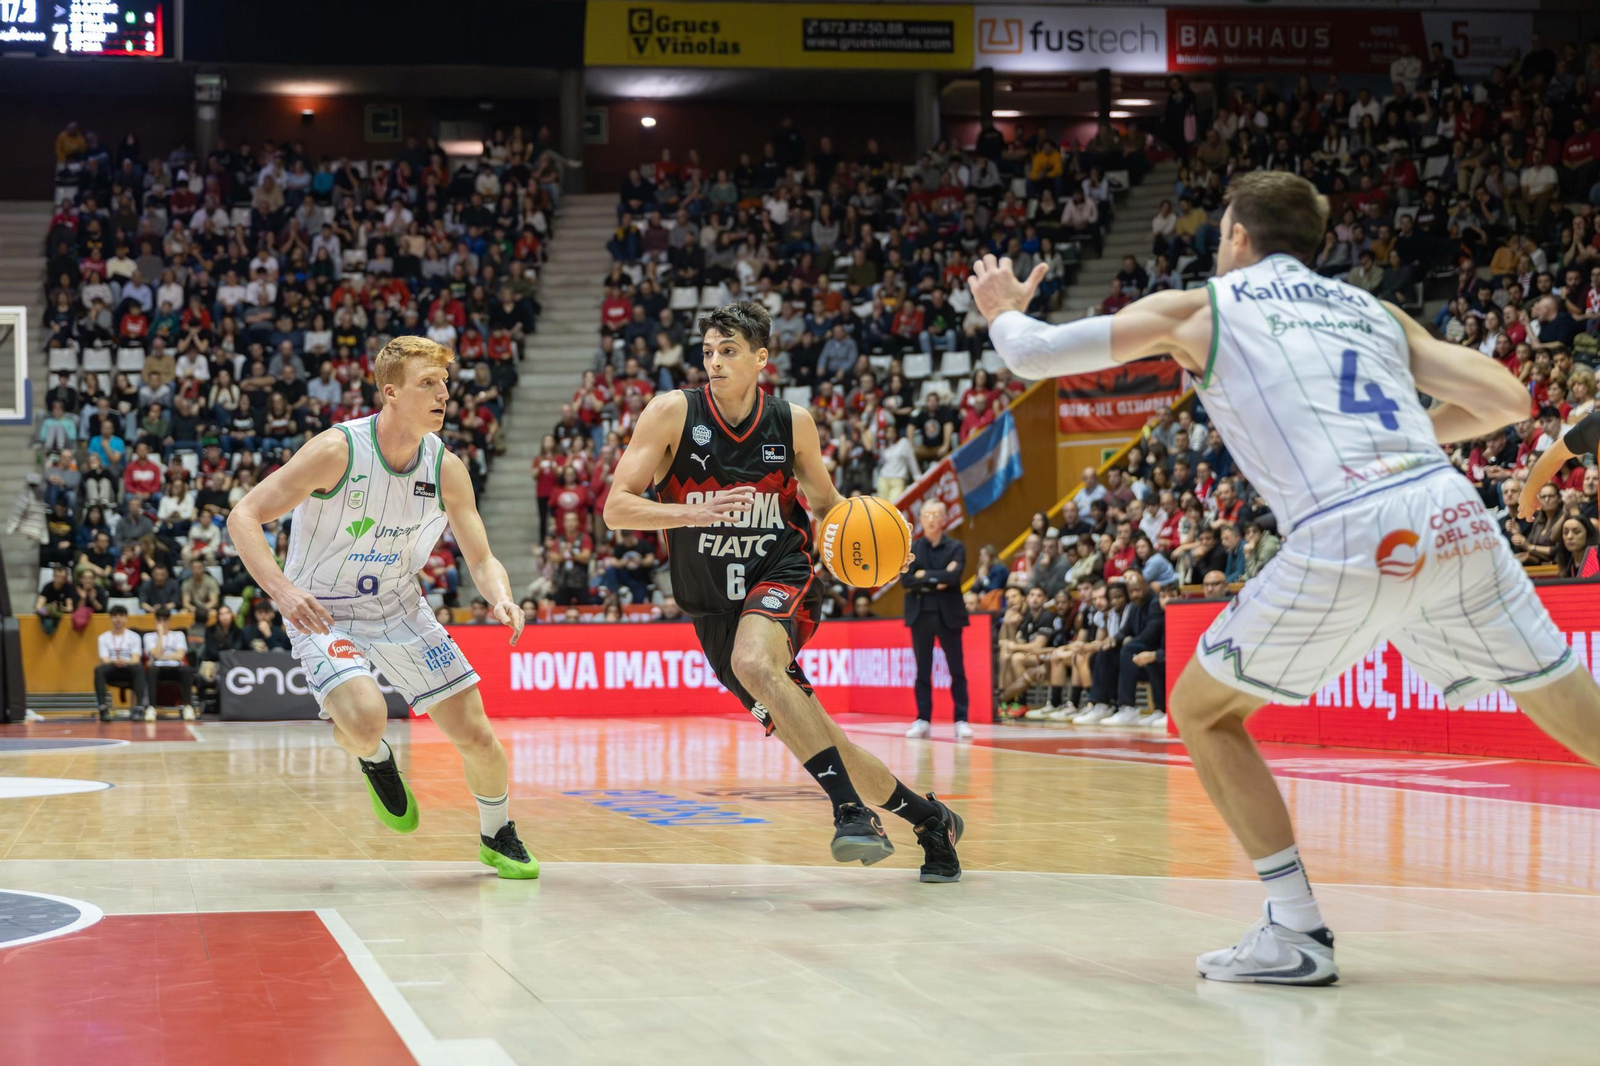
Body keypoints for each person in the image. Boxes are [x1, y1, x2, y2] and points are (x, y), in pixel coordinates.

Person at [973, 169, 1596, 986]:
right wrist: (1409, 438)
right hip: (1451, 509)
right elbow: (1508, 399)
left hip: (1351, 525)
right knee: (1568, 706)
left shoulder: (1205, 308)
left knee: (1202, 711)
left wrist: (1001, 307)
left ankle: (1296, 928)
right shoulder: (1371, 308)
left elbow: (1032, 355)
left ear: (1237, 235)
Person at [604, 301, 964, 882]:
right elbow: (616, 508)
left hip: (782, 573)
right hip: (713, 608)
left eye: (728, 351)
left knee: (754, 660)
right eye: (708, 351)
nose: (714, 363)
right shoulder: (672, 413)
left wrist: (881, 546)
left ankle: (850, 813)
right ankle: (930, 820)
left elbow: (828, 506)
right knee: (824, 737)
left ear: (760, 359)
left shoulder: (792, 422)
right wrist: (691, 513)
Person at [227, 336, 538, 879]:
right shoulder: (337, 450)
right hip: (322, 609)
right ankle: (373, 757)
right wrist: (282, 591)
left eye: (445, 383)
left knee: (478, 737)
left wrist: (502, 597)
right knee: (367, 721)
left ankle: (497, 834)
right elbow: (244, 516)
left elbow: (482, 558)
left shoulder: (446, 468)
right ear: (391, 393)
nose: (443, 394)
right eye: (428, 383)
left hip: (399, 606)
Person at [902, 499, 971, 740]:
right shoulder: (911, 549)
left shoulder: (955, 547)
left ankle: (961, 719)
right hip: (920, 614)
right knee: (922, 670)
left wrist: (924, 576)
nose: (931, 519)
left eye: (936, 514)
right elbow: (907, 581)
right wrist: (938, 578)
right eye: (927, 514)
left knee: (957, 669)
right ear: (921, 519)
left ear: (944, 519)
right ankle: (923, 719)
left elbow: (952, 578)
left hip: (949, 615)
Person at [95, 604, 148, 722]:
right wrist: (115, 661)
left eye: (121, 616)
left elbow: (135, 658)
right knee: (99, 669)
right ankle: (103, 709)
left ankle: (139, 708)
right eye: (115, 616)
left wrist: (124, 661)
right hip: (112, 669)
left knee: (139, 668)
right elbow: (105, 659)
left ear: (126, 618)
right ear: (111, 618)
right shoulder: (103, 638)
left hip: (128, 668)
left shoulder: (134, 637)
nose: (118, 619)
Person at [143, 607, 195, 721]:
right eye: (159, 620)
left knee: (186, 670)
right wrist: (161, 635)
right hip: (158, 669)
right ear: (156, 621)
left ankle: (187, 706)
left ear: (169, 620)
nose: (162, 623)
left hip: (175, 668)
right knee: (151, 669)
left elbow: (180, 656)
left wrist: (163, 656)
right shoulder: (149, 637)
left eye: (165, 620)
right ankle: (151, 707)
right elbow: (156, 654)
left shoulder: (179, 635)